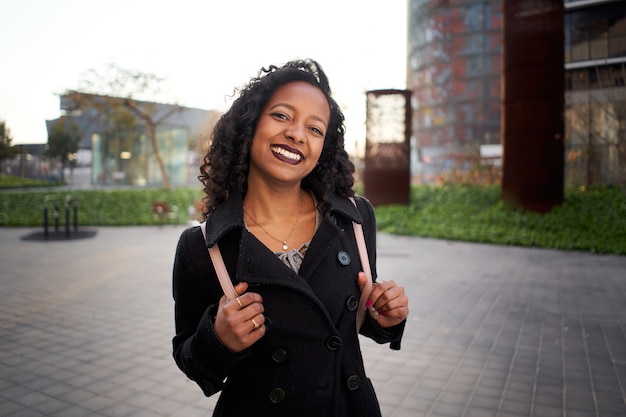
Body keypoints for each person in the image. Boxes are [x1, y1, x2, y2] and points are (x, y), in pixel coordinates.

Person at [172, 58, 409, 417]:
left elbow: (353, 322)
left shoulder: (354, 220)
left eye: (315, 129)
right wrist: (219, 339)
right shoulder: (202, 246)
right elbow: (190, 359)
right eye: (282, 116)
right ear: (250, 125)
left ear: (323, 147)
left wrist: (386, 317)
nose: (298, 134)